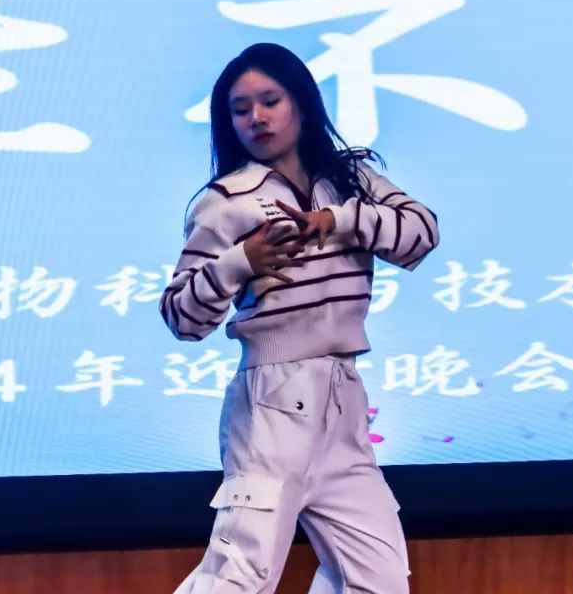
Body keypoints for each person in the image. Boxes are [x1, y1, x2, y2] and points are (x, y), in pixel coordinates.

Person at [160, 42, 439, 593]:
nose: (257, 118)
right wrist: (241, 262)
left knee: (379, 578)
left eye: (271, 101)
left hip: (343, 395)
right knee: (240, 573)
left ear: (302, 104)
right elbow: (181, 316)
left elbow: (421, 233)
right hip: (273, 398)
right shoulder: (226, 200)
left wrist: (337, 220)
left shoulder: (350, 179)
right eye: (241, 109)